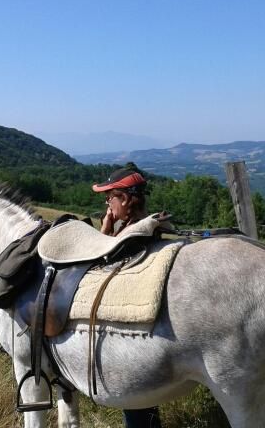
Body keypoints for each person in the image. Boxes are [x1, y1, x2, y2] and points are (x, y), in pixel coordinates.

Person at [92, 167, 162, 428]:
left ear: (123, 199)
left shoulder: (129, 236)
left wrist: (104, 232)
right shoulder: (146, 226)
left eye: (109, 197)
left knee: (135, 402)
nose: (107, 204)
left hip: (129, 328)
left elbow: (95, 268)